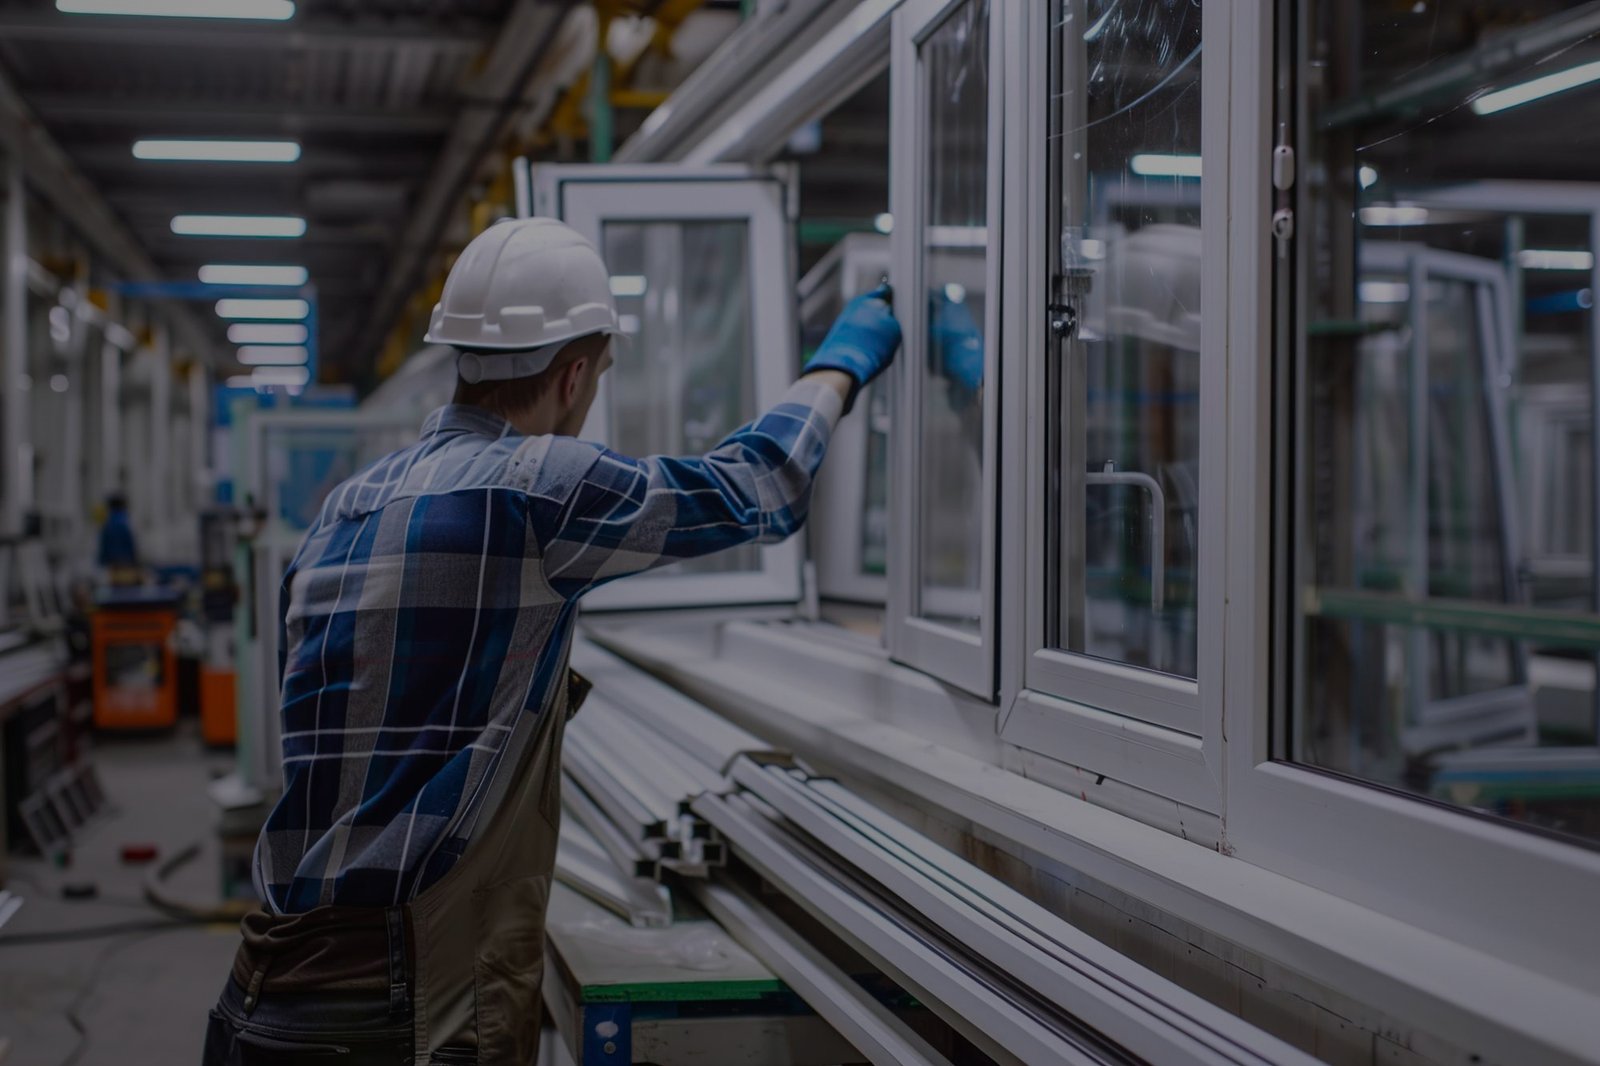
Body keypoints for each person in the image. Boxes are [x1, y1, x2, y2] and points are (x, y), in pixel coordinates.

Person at [202, 217, 901, 1065]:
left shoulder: (344, 509)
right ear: (572, 376)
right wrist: (841, 365)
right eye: (600, 374)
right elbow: (763, 484)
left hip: (269, 987)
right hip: (397, 1008)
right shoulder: (539, 488)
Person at [96, 492, 140, 586]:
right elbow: (132, 546)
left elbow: (103, 549)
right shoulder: (125, 523)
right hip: (126, 566)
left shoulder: (106, 525)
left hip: (113, 568)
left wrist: (100, 563)